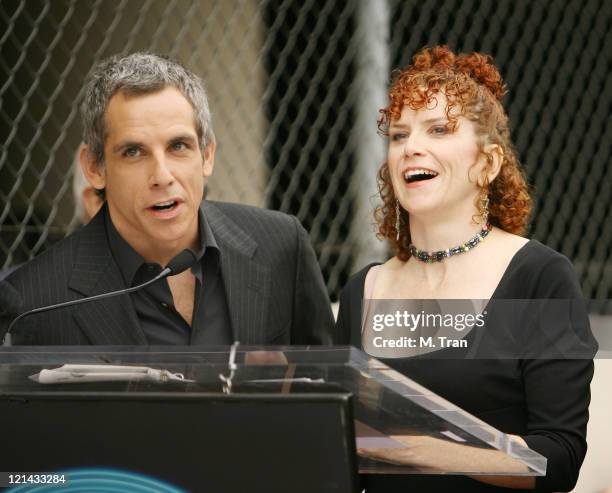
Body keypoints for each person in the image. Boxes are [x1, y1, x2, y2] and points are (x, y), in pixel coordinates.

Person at [336, 46, 596, 492]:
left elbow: (558, 459)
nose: (411, 147)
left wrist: (422, 450)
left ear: (488, 163)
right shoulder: (367, 288)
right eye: (398, 136)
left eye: (438, 130)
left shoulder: (539, 276)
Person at [2, 52, 335, 346]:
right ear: (94, 167)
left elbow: (331, 392)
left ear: (207, 155)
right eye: (133, 152)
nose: (162, 175)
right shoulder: (34, 301)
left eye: (178, 146)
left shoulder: (281, 246)